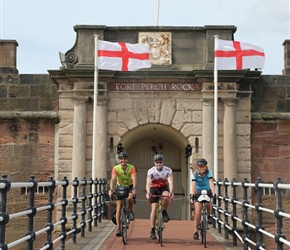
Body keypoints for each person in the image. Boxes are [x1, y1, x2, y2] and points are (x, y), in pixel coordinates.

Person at [146, 154, 174, 240]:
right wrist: (148, 192)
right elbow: (148, 183)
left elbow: (170, 182)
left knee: (166, 196)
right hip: (154, 188)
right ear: (154, 163)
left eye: (160, 162)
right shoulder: (151, 171)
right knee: (154, 209)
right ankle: (152, 230)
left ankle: (164, 212)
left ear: (163, 162)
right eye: (157, 162)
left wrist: (171, 192)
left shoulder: (168, 170)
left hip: (163, 187)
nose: (159, 164)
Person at [109, 152, 137, 237]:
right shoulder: (116, 168)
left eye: (124, 159)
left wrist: (134, 188)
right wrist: (111, 189)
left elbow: (134, 178)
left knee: (129, 198)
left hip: (129, 186)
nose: (123, 160)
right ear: (119, 160)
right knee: (119, 206)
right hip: (119, 187)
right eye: (121, 159)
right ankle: (118, 227)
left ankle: (130, 211)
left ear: (127, 160)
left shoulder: (131, 168)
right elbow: (113, 179)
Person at [191, 157, 215, 240]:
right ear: (198, 167)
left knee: (208, 202)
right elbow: (193, 185)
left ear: (206, 166)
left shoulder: (209, 173)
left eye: (203, 166)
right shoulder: (195, 174)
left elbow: (211, 182)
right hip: (198, 191)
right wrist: (192, 195)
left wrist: (213, 192)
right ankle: (196, 231)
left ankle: (208, 215)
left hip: (207, 190)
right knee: (197, 212)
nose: (201, 168)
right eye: (200, 166)